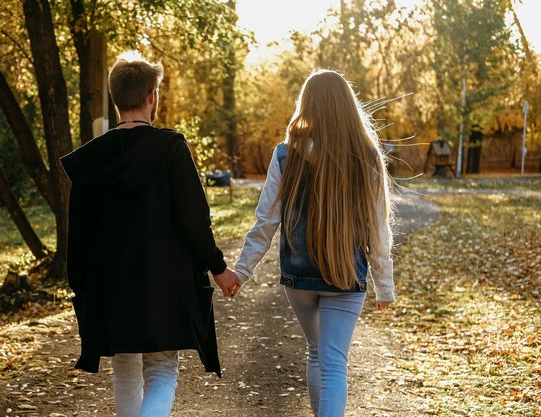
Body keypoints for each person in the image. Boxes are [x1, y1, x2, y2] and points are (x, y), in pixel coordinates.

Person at [60, 51, 240, 417]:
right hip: (165, 283)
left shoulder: (91, 159)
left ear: (116, 99)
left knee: (125, 370)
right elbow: (194, 219)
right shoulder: (171, 148)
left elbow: (78, 233)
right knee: (160, 370)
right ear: (152, 96)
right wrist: (219, 270)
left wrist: (80, 285)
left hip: (111, 285)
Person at [231, 69, 395, 417]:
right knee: (333, 362)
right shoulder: (366, 155)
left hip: (298, 277)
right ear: (347, 107)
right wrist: (384, 286)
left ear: (306, 105)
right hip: (345, 275)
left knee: (317, 352)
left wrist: (242, 270)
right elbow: (378, 227)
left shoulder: (284, 154)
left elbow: (266, 220)